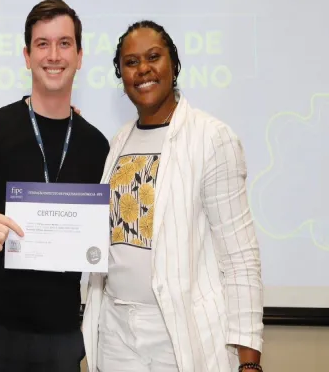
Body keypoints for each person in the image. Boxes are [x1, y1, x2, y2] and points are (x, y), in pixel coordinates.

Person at [0, 0, 110, 371]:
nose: (54, 55)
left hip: (60, 338)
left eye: (64, 43)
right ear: (27, 56)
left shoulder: (97, 146)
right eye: (42, 44)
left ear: (79, 56)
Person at [82, 20, 264, 372]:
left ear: (174, 65)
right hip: (117, 332)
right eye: (131, 62)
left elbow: (240, 257)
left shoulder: (212, 138)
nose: (143, 69)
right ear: (121, 75)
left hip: (179, 332)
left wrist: (249, 362)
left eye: (154, 57)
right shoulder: (119, 141)